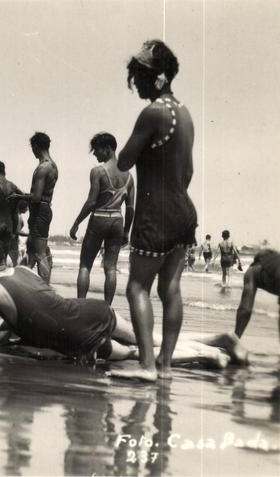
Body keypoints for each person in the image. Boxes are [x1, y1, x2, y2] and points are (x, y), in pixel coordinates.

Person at [0, 262, 246, 370]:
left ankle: (208, 356)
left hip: (79, 336)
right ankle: (218, 339)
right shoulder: (22, 269)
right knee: (150, 339)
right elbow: (38, 308)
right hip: (90, 309)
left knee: (138, 353)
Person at [110, 40, 197, 382]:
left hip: (155, 213)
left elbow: (124, 161)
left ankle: (146, 366)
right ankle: (165, 364)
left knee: (137, 288)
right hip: (183, 211)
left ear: (157, 77)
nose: (139, 87)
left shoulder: (153, 113)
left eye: (141, 79)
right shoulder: (185, 114)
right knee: (170, 289)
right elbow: (188, 172)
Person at [69, 132, 135, 305]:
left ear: (107, 149)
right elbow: (130, 208)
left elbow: (91, 201)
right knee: (111, 268)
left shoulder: (98, 171)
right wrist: (127, 231)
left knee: (85, 266)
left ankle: (80, 306)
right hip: (117, 221)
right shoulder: (129, 176)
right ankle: (107, 309)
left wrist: (76, 223)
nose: (95, 154)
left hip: (99, 217)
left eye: (97, 150)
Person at [11, 132, 58, 284]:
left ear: (36, 146)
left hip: (40, 211)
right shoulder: (52, 166)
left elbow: (36, 197)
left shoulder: (43, 167)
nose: (32, 151)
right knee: (32, 251)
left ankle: (45, 290)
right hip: (42, 209)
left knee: (40, 253)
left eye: (33, 148)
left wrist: (19, 196)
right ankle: (28, 285)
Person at [235, 249, 280, 339]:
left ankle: (235, 338)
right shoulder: (274, 262)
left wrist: (236, 336)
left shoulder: (252, 271)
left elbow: (245, 309)